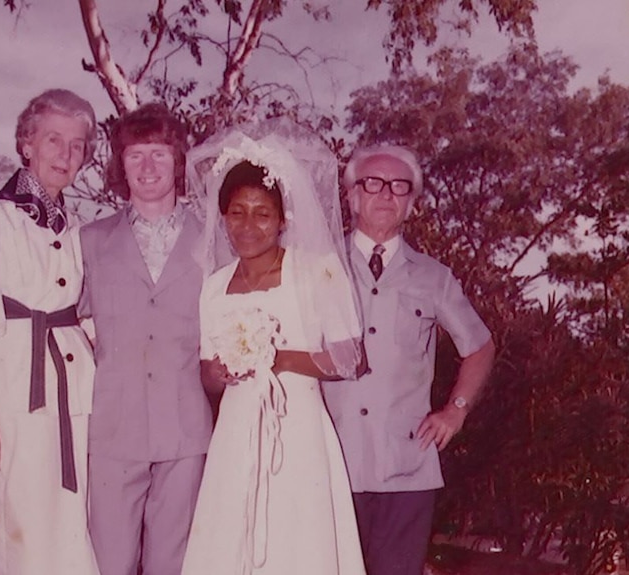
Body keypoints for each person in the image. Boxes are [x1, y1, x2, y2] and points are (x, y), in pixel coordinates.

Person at [181, 124, 367, 575]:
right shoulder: (213, 287)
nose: (248, 226)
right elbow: (206, 371)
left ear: (283, 219)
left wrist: (278, 358)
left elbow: (350, 359)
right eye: (237, 212)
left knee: (297, 543)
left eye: (262, 213)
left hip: (297, 427)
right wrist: (221, 373)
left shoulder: (315, 272)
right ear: (222, 216)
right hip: (236, 429)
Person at [322, 145, 496, 575]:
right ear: (351, 196)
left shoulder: (434, 277)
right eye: (373, 184)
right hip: (329, 466)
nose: (386, 195)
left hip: (407, 470)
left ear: (411, 204)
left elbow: (479, 346)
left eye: (399, 187)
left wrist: (455, 412)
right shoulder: (319, 267)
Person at [0, 89, 100, 574]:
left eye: (77, 145)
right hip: (13, 397)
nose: (65, 154)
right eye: (53, 139)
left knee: (71, 536)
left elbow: (90, 318)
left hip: (76, 398)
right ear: (27, 143)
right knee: (16, 537)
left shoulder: (80, 228)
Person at [79, 103, 213, 575]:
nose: (149, 166)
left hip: (186, 427)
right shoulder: (90, 241)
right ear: (121, 165)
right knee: (109, 562)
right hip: (113, 427)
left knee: (173, 564)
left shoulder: (213, 239)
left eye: (158, 153)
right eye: (136, 155)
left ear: (178, 160)